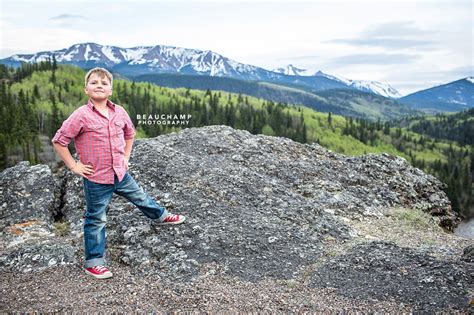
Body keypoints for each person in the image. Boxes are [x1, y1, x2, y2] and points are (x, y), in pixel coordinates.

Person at [52, 67, 186, 280]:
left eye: (104, 83)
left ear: (110, 90)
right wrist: (74, 166)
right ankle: (94, 262)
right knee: (96, 219)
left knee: (140, 196)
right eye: (94, 82)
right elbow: (59, 141)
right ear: (86, 89)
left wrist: (125, 157)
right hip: (96, 178)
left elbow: (130, 134)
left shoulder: (119, 112)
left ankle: (160, 216)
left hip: (120, 173)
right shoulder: (81, 115)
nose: (99, 86)